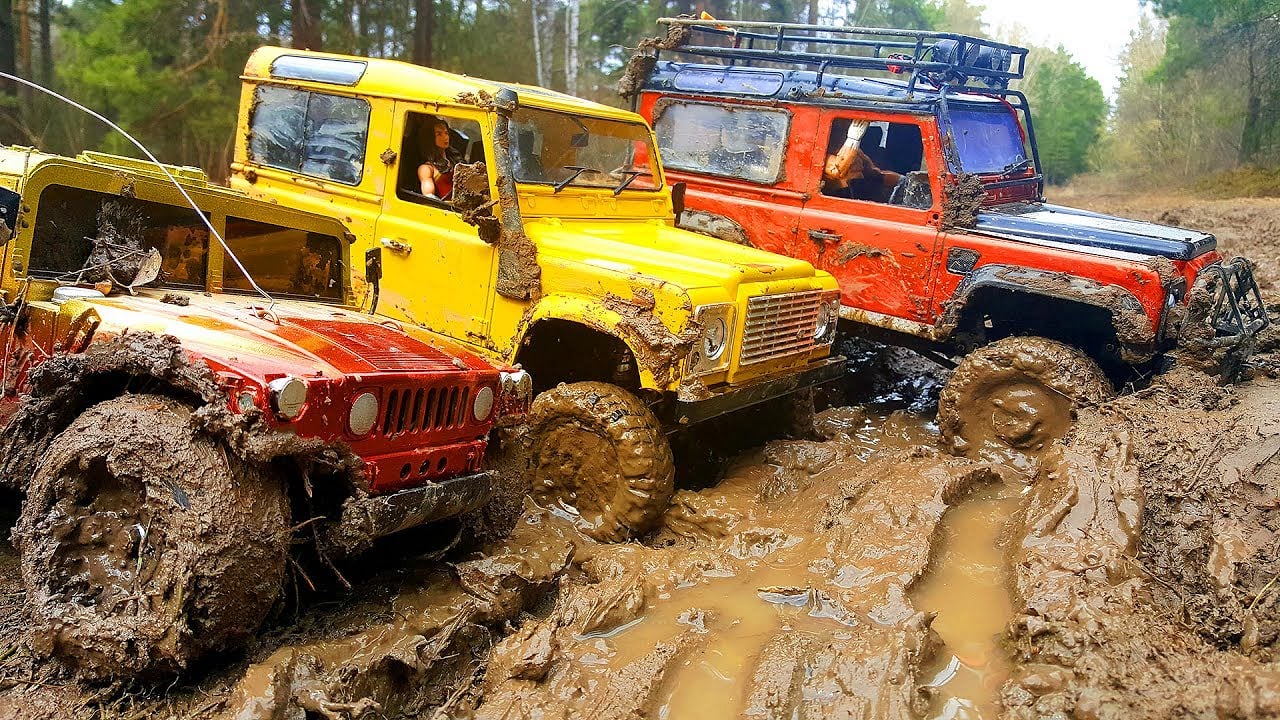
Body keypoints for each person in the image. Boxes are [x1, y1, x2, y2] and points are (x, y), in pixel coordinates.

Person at [822, 120, 902, 203]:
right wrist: (853, 139)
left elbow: (874, 171)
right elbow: (838, 170)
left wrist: (902, 180)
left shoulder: (856, 151)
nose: (847, 125)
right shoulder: (822, 153)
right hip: (840, 197)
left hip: (862, 191)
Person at [414, 117, 456, 199]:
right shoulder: (426, 169)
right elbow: (430, 197)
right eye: (439, 134)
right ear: (430, 138)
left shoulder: (453, 160)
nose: (445, 137)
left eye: (446, 133)